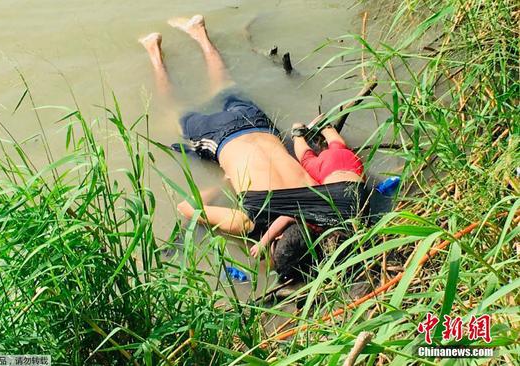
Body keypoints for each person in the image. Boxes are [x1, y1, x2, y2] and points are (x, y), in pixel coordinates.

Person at [140, 15, 368, 279]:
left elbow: (336, 169)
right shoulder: (249, 222)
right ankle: (153, 50)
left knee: (225, 85)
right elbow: (186, 208)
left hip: (260, 126)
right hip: (221, 136)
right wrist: (221, 186)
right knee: (175, 113)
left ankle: (199, 32)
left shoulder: (326, 200)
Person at [250, 121, 366, 259]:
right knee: (306, 159)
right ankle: (297, 132)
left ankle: (326, 127)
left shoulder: (356, 225)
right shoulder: (320, 218)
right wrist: (263, 243)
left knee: (338, 146)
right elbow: (286, 217)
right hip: (328, 169)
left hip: (353, 165)